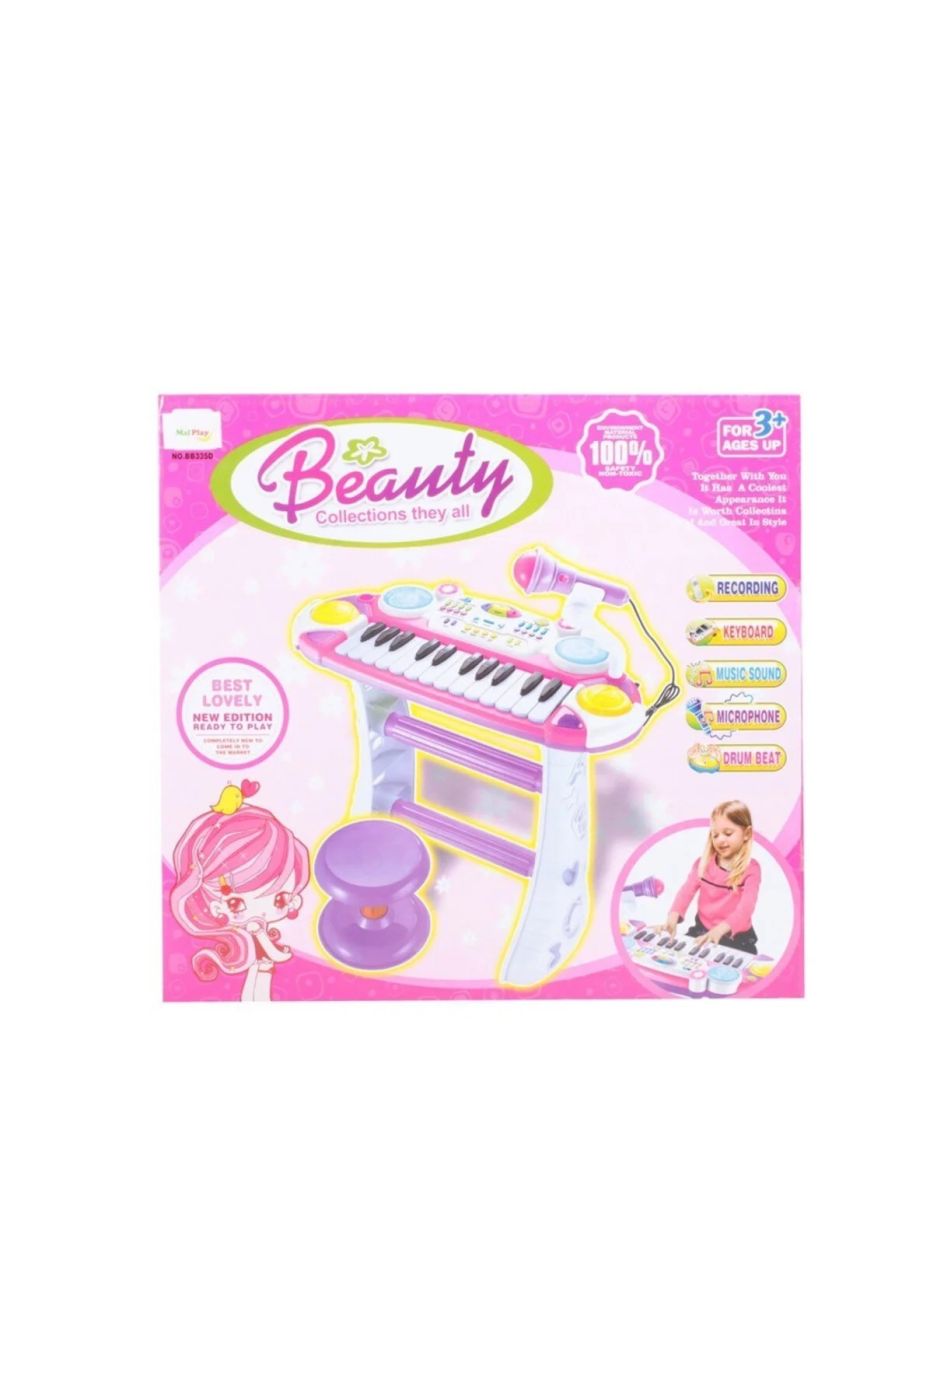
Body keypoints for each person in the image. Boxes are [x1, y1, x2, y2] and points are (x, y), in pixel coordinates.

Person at [170, 781, 310, 1001]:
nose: (262, 911)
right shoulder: (251, 932)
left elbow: (274, 953)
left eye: (280, 899)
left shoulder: (253, 932)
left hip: (260, 963)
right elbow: (274, 953)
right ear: (217, 907)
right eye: (236, 903)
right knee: (256, 986)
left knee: (258, 984)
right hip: (260, 963)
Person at [661, 800, 760, 953]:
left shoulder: (751, 869)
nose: (720, 839)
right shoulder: (702, 864)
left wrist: (720, 930)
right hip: (703, 929)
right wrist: (672, 918)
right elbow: (686, 892)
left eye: (728, 833)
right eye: (715, 835)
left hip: (735, 937)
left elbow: (746, 908)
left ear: (746, 833)